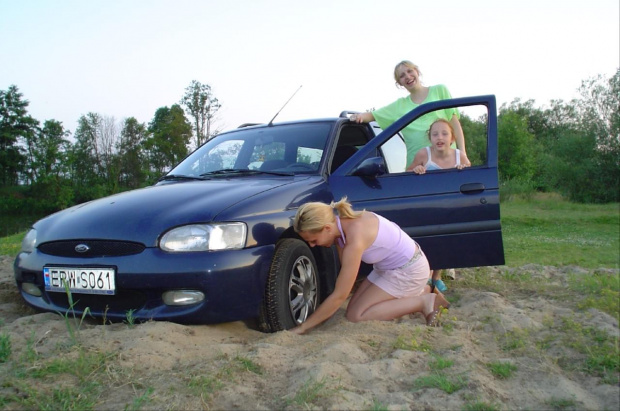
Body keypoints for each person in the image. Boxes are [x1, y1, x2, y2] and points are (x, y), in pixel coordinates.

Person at [291, 197, 450, 335]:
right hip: (388, 268)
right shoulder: (342, 227)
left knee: (356, 316)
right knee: (353, 308)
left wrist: (303, 327)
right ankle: (422, 290)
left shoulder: (355, 237)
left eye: (313, 240)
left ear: (326, 228)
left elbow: (339, 296)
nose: (312, 245)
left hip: (409, 270)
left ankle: (425, 302)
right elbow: (346, 277)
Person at [350, 60, 470, 168]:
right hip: (417, 169)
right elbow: (373, 115)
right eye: (402, 76)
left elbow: (455, 124)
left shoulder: (439, 90)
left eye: (409, 71)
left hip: (448, 164)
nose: (407, 76)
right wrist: (358, 117)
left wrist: (462, 154)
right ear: (400, 83)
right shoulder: (399, 106)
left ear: (417, 71)